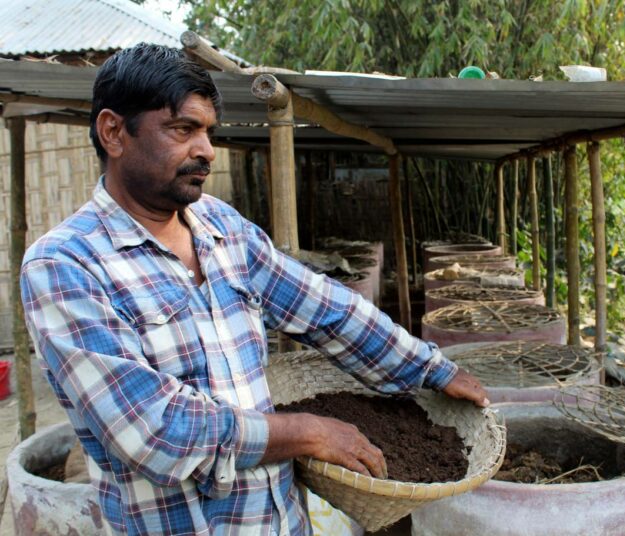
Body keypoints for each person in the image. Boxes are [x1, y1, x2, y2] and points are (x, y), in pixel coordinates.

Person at [20, 43, 489, 536]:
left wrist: (431, 368)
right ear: (114, 132)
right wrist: (306, 432)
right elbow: (154, 430)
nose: (204, 150)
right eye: (182, 129)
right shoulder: (66, 265)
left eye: (208, 132)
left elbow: (326, 309)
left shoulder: (221, 229)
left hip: (280, 522)